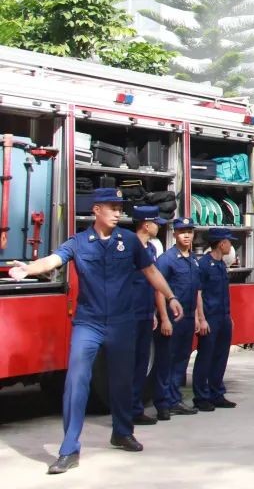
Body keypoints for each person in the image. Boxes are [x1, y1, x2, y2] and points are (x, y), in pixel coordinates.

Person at [8, 188, 184, 475]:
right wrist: (28, 269)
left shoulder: (129, 241)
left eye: (120, 207)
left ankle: (122, 432)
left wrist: (171, 296)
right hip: (88, 323)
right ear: (96, 210)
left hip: (122, 323)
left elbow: (151, 272)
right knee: (76, 381)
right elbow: (53, 260)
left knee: (122, 382)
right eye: (112, 207)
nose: (118, 212)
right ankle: (69, 449)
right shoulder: (78, 242)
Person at [152, 217, 204, 421]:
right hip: (172, 319)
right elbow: (158, 290)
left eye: (190, 232)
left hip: (188, 319)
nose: (187, 235)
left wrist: (198, 317)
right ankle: (162, 404)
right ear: (174, 234)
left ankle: (174, 400)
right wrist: (164, 318)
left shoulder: (193, 260)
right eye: (182, 232)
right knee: (166, 361)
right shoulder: (166, 259)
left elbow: (197, 290)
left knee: (181, 361)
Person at [130, 205, 169, 427]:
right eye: (156, 223)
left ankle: (136, 410)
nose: (158, 228)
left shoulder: (152, 249)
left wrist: (154, 312)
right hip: (129, 314)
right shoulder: (128, 248)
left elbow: (153, 282)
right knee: (128, 364)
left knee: (141, 364)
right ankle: (126, 411)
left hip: (145, 313)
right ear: (146, 225)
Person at [192, 228, 238, 412]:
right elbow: (198, 293)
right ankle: (201, 397)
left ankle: (216, 393)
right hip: (209, 318)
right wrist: (201, 318)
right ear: (221, 243)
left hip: (223, 317)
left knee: (220, 356)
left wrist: (229, 317)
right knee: (205, 357)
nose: (230, 245)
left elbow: (224, 294)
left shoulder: (221, 264)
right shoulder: (204, 264)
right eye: (229, 241)